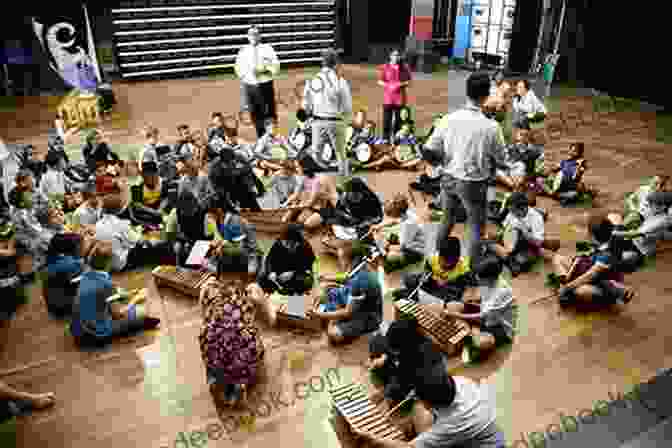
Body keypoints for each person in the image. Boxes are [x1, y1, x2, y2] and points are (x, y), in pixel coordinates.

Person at [424, 72, 507, 269]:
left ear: (467, 92)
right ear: (486, 95)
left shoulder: (449, 118)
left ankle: (438, 259)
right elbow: (503, 159)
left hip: (448, 177)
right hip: (474, 183)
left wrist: (444, 161)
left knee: (447, 217)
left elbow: (428, 149)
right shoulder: (492, 126)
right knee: (476, 226)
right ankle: (471, 269)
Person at [352, 369, 505, 448]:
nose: (417, 397)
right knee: (418, 409)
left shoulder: (452, 426)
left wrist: (373, 439)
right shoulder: (460, 382)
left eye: (422, 398)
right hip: (473, 430)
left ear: (432, 404)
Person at [199, 279, 276, 408]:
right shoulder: (251, 289)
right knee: (252, 346)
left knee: (215, 340)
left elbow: (203, 317)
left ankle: (215, 380)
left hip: (214, 353)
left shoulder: (207, 287)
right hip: (241, 358)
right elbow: (271, 320)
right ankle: (240, 385)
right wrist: (266, 303)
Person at [70, 241, 161, 347]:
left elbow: (99, 295)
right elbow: (118, 314)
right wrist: (136, 299)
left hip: (78, 330)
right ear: (109, 262)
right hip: (93, 334)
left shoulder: (85, 274)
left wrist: (126, 294)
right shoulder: (106, 283)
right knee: (141, 310)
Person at [439, 256, 515, 363]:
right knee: (452, 305)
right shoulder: (490, 281)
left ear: (490, 279)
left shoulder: (502, 292)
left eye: (480, 279)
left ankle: (472, 333)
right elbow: (480, 299)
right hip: (485, 316)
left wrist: (455, 315)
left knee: (482, 342)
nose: (478, 280)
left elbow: (481, 316)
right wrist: (467, 301)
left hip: (499, 327)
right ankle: (471, 331)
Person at [552, 214, 636, 308]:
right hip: (588, 270)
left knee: (580, 291)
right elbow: (615, 216)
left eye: (588, 232)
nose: (586, 234)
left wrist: (567, 288)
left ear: (593, 237)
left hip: (599, 283)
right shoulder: (611, 237)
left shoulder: (606, 256)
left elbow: (589, 276)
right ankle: (564, 286)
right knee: (558, 258)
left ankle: (610, 296)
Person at [310, 243, 384, 344]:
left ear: (352, 260)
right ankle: (333, 314)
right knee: (326, 286)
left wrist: (321, 314)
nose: (339, 261)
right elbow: (347, 276)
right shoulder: (359, 265)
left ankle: (334, 318)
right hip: (354, 300)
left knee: (333, 333)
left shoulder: (360, 281)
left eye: (341, 258)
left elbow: (348, 312)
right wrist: (327, 278)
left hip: (366, 316)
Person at [367, 319, 446, 407]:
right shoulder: (401, 331)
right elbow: (382, 339)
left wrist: (385, 395)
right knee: (376, 341)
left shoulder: (422, 356)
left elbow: (402, 379)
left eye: (396, 350)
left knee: (400, 392)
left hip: (418, 381)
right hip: (404, 366)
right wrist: (384, 356)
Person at [302, 48, 353, 175]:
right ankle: (343, 181)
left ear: (322, 62)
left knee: (316, 155)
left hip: (318, 122)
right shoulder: (341, 81)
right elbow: (347, 108)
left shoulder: (313, 80)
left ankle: (319, 181)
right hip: (336, 122)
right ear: (335, 63)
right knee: (341, 155)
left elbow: (306, 106)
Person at [488, 191, 557, 276]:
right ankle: (509, 260)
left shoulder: (536, 218)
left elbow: (539, 242)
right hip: (510, 241)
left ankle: (506, 257)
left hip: (527, 245)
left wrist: (524, 234)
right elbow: (505, 229)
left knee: (522, 260)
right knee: (487, 241)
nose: (511, 213)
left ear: (523, 208)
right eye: (510, 210)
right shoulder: (511, 213)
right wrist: (498, 235)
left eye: (513, 211)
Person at [234, 25, 281, 139]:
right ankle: (261, 137)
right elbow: (238, 68)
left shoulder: (268, 49)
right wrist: (247, 78)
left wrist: (264, 72)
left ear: (260, 36)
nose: (253, 36)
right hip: (250, 87)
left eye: (256, 34)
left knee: (269, 114)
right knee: (254, 114)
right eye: (251, 34)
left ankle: (272, 137)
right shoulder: (243, 51)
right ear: (248, 36)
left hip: (265, 86)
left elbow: (276, 67)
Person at [395, 236, 472, 304]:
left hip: (448, 290)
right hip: (432, 285)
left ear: (457, 259)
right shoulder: (432, 259)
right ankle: (422, 296)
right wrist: (426, 277)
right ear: (439, 255)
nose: (446, 266)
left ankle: (423, 297)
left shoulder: (464, 268)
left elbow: (465, 289)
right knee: (409, 278)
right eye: (444, 262)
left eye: (451, 263)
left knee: (454, 298)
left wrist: (447, 283)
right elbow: (426, 273)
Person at [371, 194, 425, 273]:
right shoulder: (408, 213)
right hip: (413, 241)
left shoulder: (407, 226)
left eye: (391, 215)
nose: (390, 217)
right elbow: (395, 221)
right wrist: (378, 226)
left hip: (416, 251)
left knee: (389, 258)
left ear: (397, 214)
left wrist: (385, 245)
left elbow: (402, 247)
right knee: (387, 238)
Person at [282, 155, 339, 231]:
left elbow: (310, 202)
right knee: (299, 218)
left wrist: (294, 207)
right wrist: (285, 204)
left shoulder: (319, 180)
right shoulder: (304, 178)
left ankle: (325, 220)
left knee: (307, 224)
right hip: (313, 206)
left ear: (305, 167)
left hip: (325, 208)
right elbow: (296, 194)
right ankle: (284, 224)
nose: (296, 169)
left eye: (297, 167)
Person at [205, 200, 260, 279]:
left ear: (219, 210)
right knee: (208, 263)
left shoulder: (234, 220)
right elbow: (227, 239)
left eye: (210, 215)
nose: (209, 218)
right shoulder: (218, 222)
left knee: (251, 271)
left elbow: (240, 245)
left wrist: (222, 247)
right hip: (233, 253)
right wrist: (219, 246)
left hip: (247, 254)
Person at [257, 223, 316, 295]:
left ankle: (295, 293)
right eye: (284, 241)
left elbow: (308, 265)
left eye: (287, 242)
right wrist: (271, 272)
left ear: (294, 241)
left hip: (297, 275)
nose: (284, 244)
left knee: (306, 280)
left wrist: (293, 273)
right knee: (262, 277)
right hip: (279, 273)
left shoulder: (305, 247)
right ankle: (270, 292)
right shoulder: (279, 243)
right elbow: (269, 259)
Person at [378, 49, 412, 142]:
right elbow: (380, 81)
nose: (396, 57)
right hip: (388, 99)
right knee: (386, 121)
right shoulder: (385, 67)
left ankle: (396, 140)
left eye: (397, 55)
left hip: (400, 99)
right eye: (394, 55)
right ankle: (386, 140)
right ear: (390, 56)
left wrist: (400, 84)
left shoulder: (404, 67)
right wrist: (388, 85)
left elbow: (409, 81)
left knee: (398, 121)